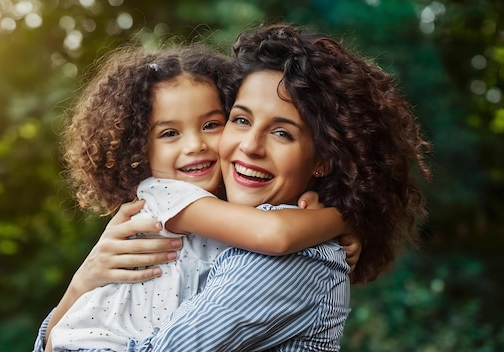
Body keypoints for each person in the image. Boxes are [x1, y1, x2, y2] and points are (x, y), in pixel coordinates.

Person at [37, 43, 356, 352]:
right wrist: (341, 217)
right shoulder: (166, 195)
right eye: (169, 133)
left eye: (211, 125)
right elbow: (275, 234)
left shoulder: (232, 215)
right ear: (141, 148)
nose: (195, 145)